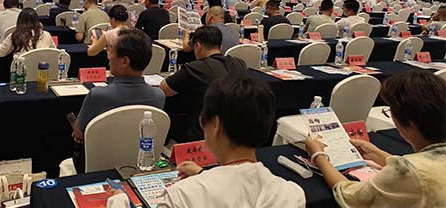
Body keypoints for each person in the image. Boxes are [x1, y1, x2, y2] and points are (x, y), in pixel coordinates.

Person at [109, 75, 305, 208]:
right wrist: (204, 175)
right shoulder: (291, 194)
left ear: (216, 125)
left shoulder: (181, 196)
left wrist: (118, 201)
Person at [305, 71, 446, 208]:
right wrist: (376, 154)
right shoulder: (420, 165)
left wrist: (318, 155)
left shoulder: (411, 172)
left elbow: (352, 196)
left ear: (410, 122)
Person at [72, 28, 165, 172]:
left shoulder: (97, 95)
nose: (109, 57)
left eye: (111, 52)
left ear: (124, 61)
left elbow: (79, 133)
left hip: (96, 168)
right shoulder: (159, 96)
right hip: (140, 166)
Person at [161, 25, 247, 141]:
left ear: (198, 45)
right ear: (220, 46)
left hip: (201, 132)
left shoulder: (195, 68)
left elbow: (164, 89)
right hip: (235, 129)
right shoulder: (239, 64)